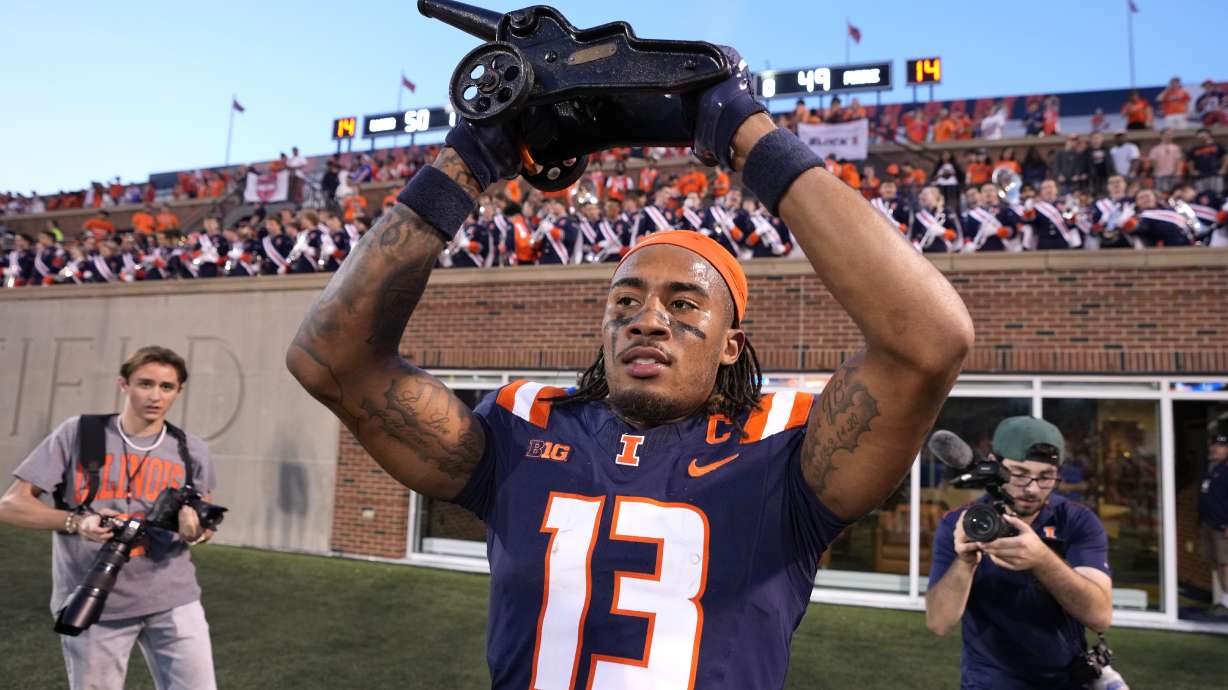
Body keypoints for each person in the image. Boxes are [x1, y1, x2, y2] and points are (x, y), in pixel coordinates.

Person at [286, 45, 973, 690]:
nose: (648, 319)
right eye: (626, 301)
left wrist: (746, 131)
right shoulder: (523, 426)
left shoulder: (782, 449)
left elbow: (929, 341)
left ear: (731, 345)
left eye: (684, 303)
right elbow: (331, 362)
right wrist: (466, 160)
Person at [0, 346, 218, 690]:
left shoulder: (191, 450)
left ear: (179, 391)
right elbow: (11, 505)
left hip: (174, 600)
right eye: (145, 384)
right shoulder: (80, 433)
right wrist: (76, 522)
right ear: (123, 384)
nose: (155, 396)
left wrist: (197, 534)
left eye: (166, 387)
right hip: (94, 599)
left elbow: (204, 525)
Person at [925, 417, 1113, 689]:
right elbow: (938, 623)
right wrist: (965, 562)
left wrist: (1042, 560)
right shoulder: (961, 524)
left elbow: (1100, 617)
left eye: (1046, 476)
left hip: (1066, 681)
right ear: (993, 464)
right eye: (1019, 473)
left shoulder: (1076, 521)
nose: (1032, 488)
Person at [1198, 422, 1228, 617]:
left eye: (1220, 446)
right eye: (1214, 445)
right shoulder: (1212, 468)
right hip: (1209, 524)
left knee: (1225, 563)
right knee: (1216, 562)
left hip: (1222, 526)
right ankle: (1224, 599)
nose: (1215, 448)